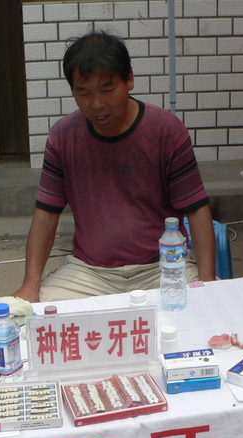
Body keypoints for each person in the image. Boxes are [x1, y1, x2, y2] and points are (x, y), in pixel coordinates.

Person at [12, 30, 216, 303]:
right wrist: (30, 285)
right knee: (29, 318)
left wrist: (208, 280)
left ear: (129, 79)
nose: (97, 104)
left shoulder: (167, 131)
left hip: (161, 267)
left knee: (204, 312)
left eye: (107, 89)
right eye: (83, 93)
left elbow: (197, 210)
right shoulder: (62, 137)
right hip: (89, 273)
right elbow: (46, 215)